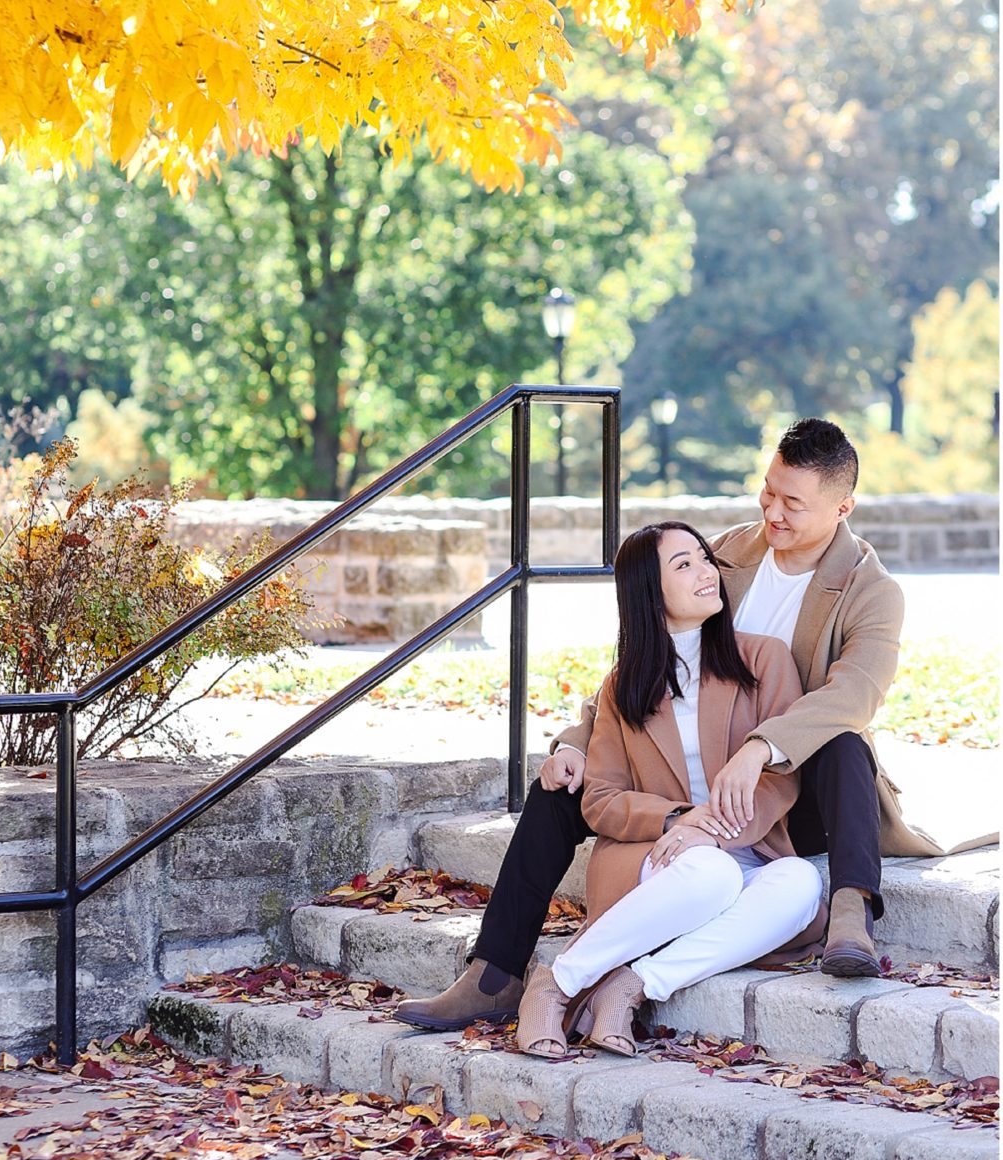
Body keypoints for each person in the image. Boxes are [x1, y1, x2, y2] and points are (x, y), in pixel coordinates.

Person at [394, 417, 940, 1033]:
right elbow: (649, 658)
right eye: (768, 490)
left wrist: (762, 748)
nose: (774, 511)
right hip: (687, 775)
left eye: (794, 503)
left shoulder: (870, 589)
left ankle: (851, 906)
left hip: (797, 782)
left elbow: (855, 694)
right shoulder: (726, 556)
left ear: (843, 508)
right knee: (558, 787)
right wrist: (575, 744)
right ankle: (495, 973)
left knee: (844, 744)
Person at [515, 522, 824, 1056]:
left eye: (705, 558)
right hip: (655, 856)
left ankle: (633, 985)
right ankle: (555, 984)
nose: (708, 572)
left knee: (800, 882)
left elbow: (781, 774)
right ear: (648, 592)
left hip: (748, 851)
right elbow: (600, 798)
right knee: (710, 872)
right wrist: (678, 819)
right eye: (684, 565)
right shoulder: (622, 687)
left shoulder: (764, 659)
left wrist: (718, 832)